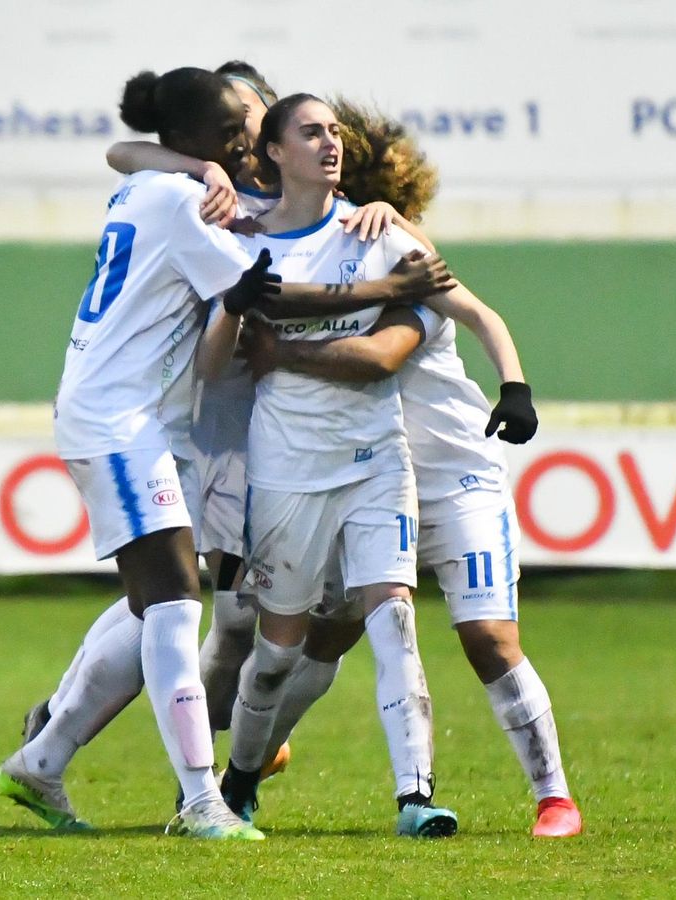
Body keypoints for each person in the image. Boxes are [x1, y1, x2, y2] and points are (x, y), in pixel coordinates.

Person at [0, 67, 450, 841]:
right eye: (235, 131)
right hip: (155, 425)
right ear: (214, 138)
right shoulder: (192, 200)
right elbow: (261, 289)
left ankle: (52, 750)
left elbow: (133, 159)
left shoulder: (184, 192)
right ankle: (201, 794)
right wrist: (378, 291)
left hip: (170, 423)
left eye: (251, 128)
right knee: (185, 607)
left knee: (167, 606)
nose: (244, 144)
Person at [236, 242, 583, 839]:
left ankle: (554, 799)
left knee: (489, 637)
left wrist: (279, 352)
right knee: (329, 633)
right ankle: (263, 753)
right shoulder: (344, 280)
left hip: (456, 482)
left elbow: (380, 356)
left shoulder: (409, 285)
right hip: (375, 480)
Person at [196, 92, 464, 838]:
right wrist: (236, 313)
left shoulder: (375, 232)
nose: (329, 142)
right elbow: (216, 364)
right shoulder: (244, 245)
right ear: (274, 152)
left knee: (396, 619)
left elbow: (438, 296)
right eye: (310, 132)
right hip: (287, 470)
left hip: (377, 458)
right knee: (276, 655)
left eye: (334, 132)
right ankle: (240, 781)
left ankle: (416, 797)